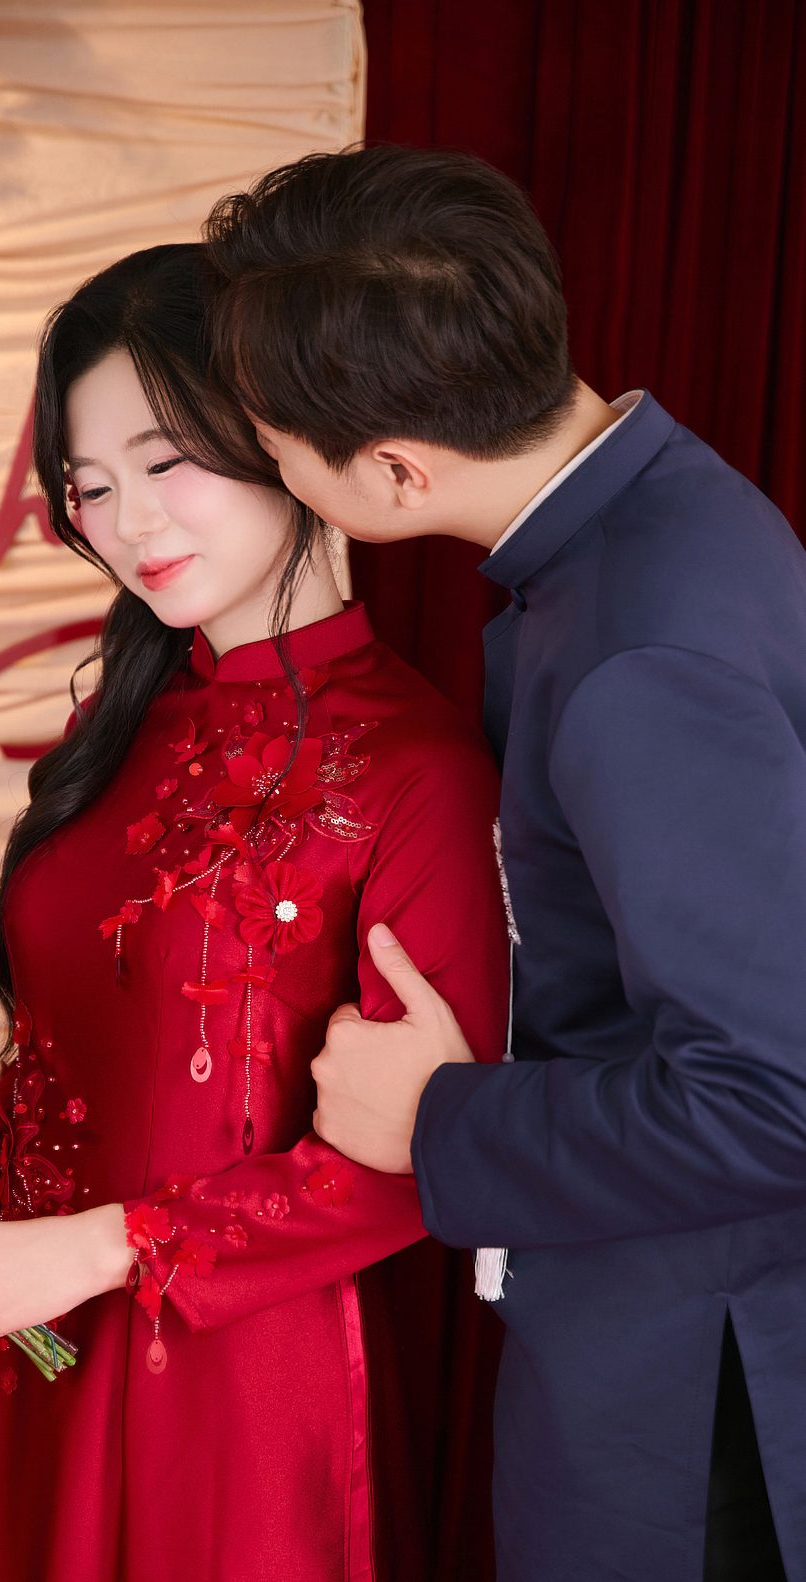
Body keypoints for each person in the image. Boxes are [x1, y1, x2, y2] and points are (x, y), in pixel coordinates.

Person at [0, 241, 510, 1581]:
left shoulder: (414, 772)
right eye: (91, 487)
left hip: (240, 1386)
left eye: (166, 464)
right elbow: (76, 1047)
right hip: (39, 1342)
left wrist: (100, 1248)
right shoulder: (115, 732)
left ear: (282, 436)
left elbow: (416, 1165)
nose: (129, 523)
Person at [202, 144, 806, 1582]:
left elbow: (774, 1098)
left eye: (274, 444)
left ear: (393, 471)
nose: (267, 468)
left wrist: (439, 1118)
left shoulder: (636, 653)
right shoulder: (655, 506)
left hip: (693, 1390)